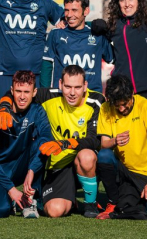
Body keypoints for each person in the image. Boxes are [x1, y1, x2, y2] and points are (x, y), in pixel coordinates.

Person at [24, 66, 101, 219]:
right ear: (60, 84)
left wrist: (64, 144)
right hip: (59, 166)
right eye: (68, 87)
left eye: (78, 87)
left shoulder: (96, 101)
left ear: (85, 86)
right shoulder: (49, 95)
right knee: (54, 211)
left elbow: (94, 141)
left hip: (83, 163)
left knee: (87, 156)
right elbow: (20, 93)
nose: (72, 93)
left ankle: (90, 204)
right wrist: (5, 105)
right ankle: (69, 199)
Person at [0, 70, 49, 218]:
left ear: (34, 92)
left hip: (23, 166)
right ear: (12, 90)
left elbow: (46, 137)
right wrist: (11, 189)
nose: (22, 96)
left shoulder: (37, 111)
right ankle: (10, 199)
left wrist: (32, 169)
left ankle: (33, 198)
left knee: (43, 144)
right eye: (18, 91)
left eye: (27, 91)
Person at [94, 75, 147, 220]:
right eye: (117, 105)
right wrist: (114, 141)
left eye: (125, 104)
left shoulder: (145, 106)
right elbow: (104, 144)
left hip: (146, 173)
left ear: (132, 94)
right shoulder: (106, 108)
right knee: (104, 155)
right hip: (124, 172)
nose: (122, 108)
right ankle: (113, 201)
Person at [40, 0, 113, 93]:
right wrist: (44, 93)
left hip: (91, 97)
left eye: (74, 10)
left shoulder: (98, 34)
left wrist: (110, 32)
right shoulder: (56, 34)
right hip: (62, 96)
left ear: (86, 11)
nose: (69, 15)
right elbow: (46, 66)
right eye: (66, 10)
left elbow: (114, 59)